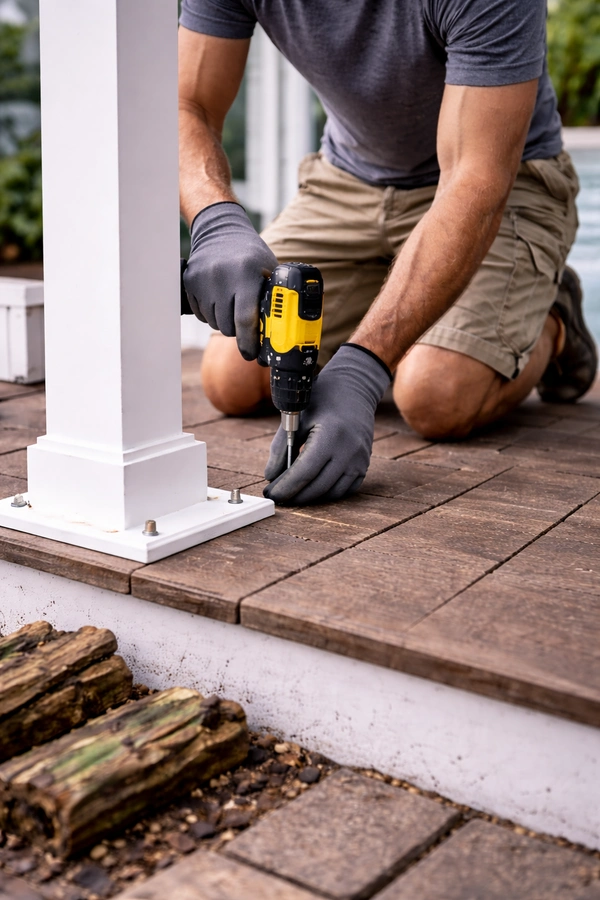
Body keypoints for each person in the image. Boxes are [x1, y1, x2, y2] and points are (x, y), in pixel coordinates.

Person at [179, 0, 597, 506]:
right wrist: (216, 222)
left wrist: (362, 368)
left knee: (434, 396)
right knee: (232, 374)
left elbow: (475, 180)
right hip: (348, 180)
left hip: (495, 183)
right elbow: (188, 104)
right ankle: (407, 309)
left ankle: (551, 321)